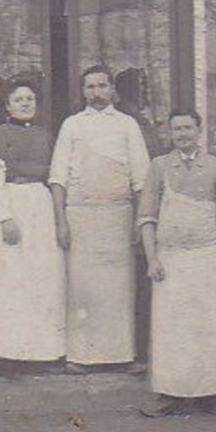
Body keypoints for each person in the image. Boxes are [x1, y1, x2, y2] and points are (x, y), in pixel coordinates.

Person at [136, 110, 216, 416]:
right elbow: (146, 216)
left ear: (199, 129)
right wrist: (152, 258)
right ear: (169, 133)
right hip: (170, 257)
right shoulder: (159, 166)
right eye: (176, 128)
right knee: (171, 328)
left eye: (188, 128)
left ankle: (212, 393)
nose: (182, 134)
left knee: (207, 325)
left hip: (205, 253)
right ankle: (171, 394)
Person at [49, 64, 151, 373]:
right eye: (90, 87)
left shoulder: (127, 125)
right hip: (79, 214)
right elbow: (58, 178)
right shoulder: (72, 125)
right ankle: (80, 357)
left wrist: (140, 220)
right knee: (82, 289)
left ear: (112, 90)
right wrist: (60, 221)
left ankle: (122, 356)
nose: (97, 93)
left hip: (117, 215)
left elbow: (142, 180)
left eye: (102, 86)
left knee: (119, 289)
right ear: (83, 92)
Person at [0, 78, 66, 368]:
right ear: (7, 106)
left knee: (37, 277)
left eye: (29, 99)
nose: (25, 104)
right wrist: (5, 217)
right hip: (7, 204)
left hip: (39, 207)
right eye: (18, 99)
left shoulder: (46, 136)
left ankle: (36, 350)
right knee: (5, 276)